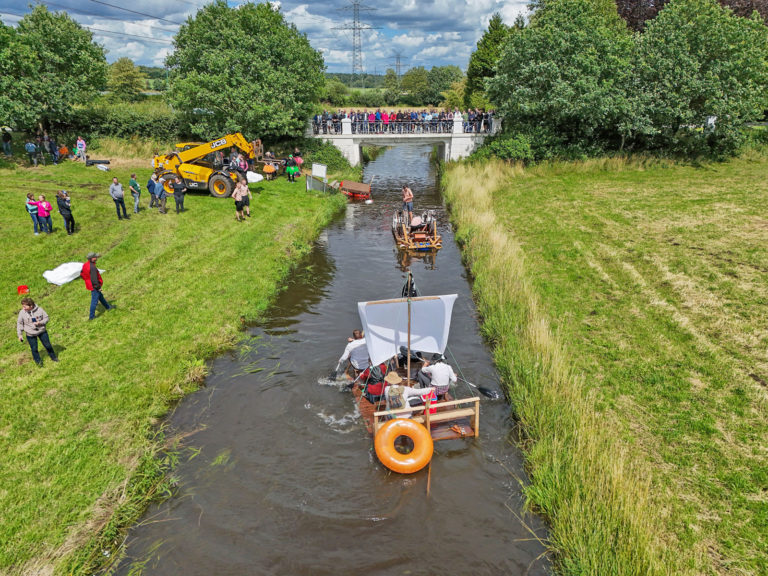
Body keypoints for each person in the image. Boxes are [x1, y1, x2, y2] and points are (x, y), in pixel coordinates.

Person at [17, 297, 58, 366]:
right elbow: (19, 323)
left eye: (25, 306)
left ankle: (54, 358)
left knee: (48, 345)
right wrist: (20, 334)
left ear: (31, 306)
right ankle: (38, 363)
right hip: (30, 334)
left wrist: (40, 323)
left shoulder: (40, 310)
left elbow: (46, 318)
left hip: (42, 331)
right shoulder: (22, 312)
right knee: (34, 349)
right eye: (22, 306)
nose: (23, 308)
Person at [80, 252, 113, 320]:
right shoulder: (92, 267)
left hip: (90, 285)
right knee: (94, 301)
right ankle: (91, 317)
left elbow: (82, 274)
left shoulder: (86, 265)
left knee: (100, 297)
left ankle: (108, 307)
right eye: (96, 257)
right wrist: (98, 287)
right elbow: (94, 280)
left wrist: (87, 280)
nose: (97, 258)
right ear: (92, 258)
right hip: (94, 286)